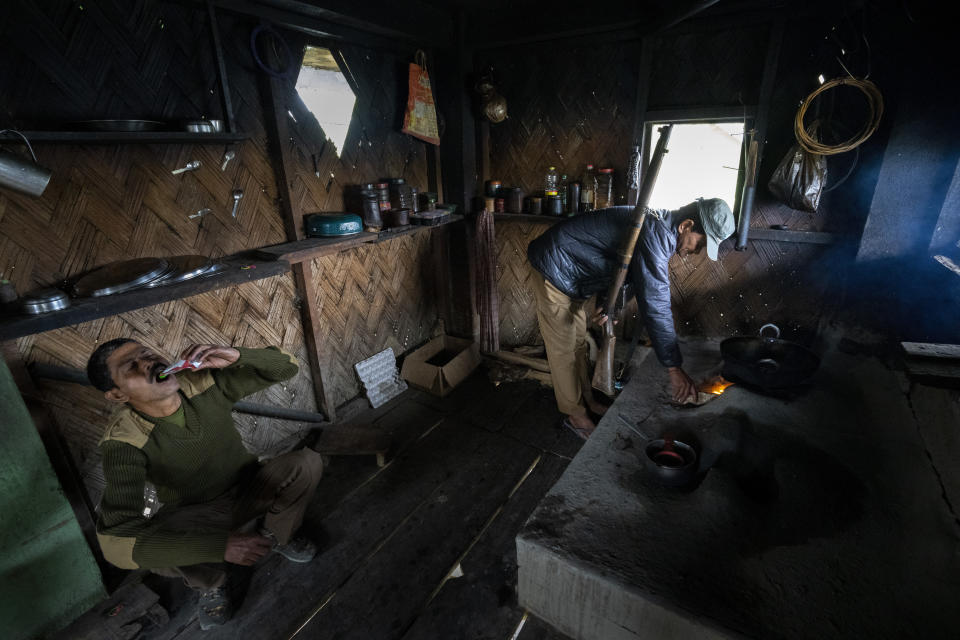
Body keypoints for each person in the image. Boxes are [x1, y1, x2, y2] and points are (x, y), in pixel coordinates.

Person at [87, 339, 324, 630]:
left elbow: (287, 367)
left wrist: (236, 356)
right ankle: (212, 583)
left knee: (306, 463)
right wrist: (216, 545)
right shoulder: (124, 440)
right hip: (200, 514)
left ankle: (277, 536)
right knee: (156, 543)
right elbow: (117, 545)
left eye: (147, 354)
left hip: (251, 486)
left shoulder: (201, 383)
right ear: (116, 395)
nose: (147, 361)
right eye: (131, 366)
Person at [527, 197, 736, 439]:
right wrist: (673, 367)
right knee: (563, 347)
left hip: (574, 274)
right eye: (700, 242)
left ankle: (587, 400)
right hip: (554, 266)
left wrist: (610, 305)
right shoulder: (657, 232)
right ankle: (575, 416)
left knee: (576, 343)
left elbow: (622, 266)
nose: (697, 251)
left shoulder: (659, 229)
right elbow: (656, 304)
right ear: (686, 226)